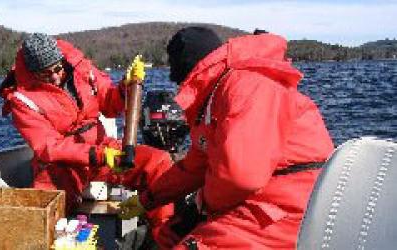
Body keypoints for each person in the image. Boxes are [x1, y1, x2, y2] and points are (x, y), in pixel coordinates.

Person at [119, 27, 335, 249]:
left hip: (287, 213)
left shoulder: (247, 84)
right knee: (167, 235)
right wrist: (147, 200)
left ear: (188, 62)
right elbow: (195, 167)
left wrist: (200, 206)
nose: (174, 78)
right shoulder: (219, 92)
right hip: (258, 206)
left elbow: (241, 177)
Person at [0, 33, 174, 240]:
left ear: (62, 60)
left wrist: (126, 88)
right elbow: (48, 147)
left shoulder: (82, 69)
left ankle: (163, 235)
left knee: (158, 162)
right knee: (46, 210)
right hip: (61, 166)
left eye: (57, 69)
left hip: (103, 149)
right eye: (46, 75)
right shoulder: (21, 99)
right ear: (33, 72)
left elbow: (109, 103)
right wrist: (98, 155)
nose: (55, 77)